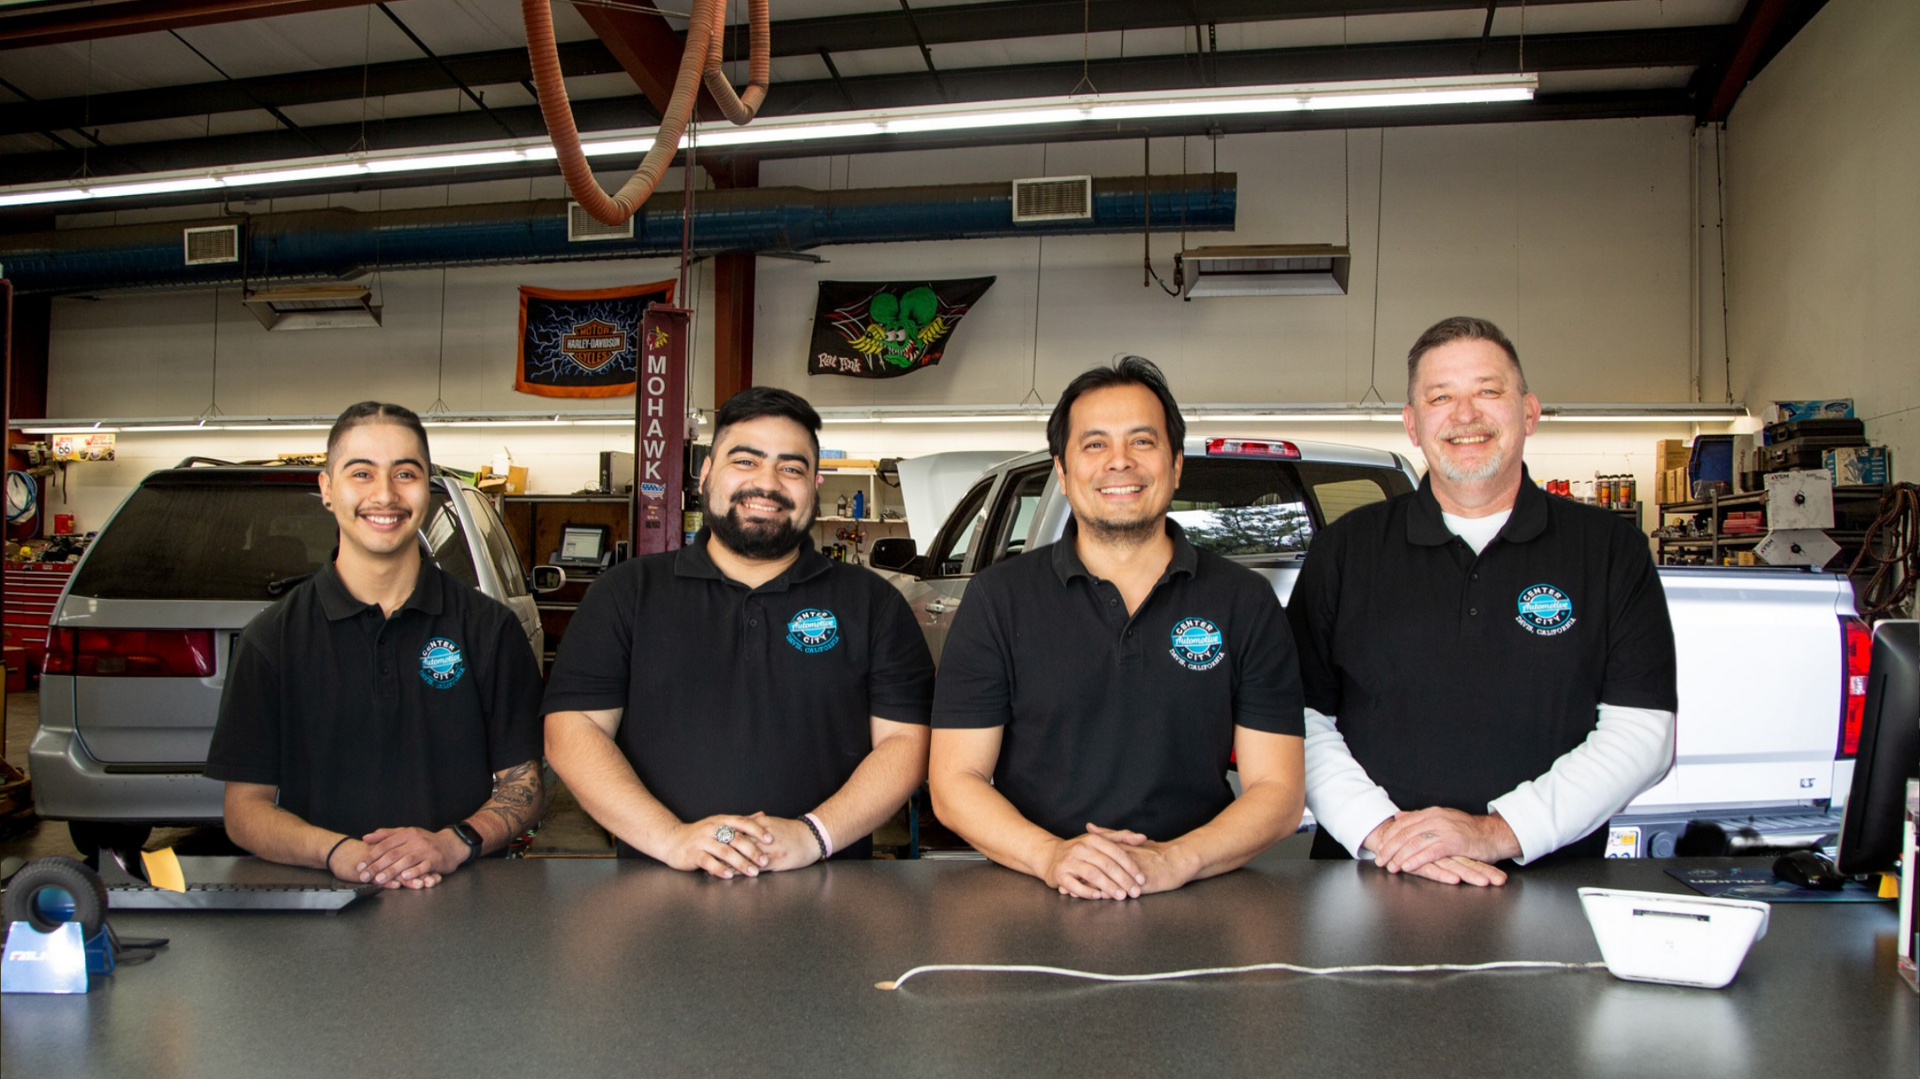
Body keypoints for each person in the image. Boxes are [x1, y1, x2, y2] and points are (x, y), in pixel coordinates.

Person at [1289, 316, 1678, 886]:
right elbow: (1298, 719)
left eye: (1488, 392)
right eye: (1440, 397)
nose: (1465, 415)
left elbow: (1642, 732)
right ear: (1413, 425)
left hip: (1550, 882)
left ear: (1529, 412)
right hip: (1369, 877)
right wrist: (1386, 834)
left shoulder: (1610, 549)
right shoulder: (1346, 549)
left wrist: (1496, 832)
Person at [929, 357, 1306, 900]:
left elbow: (1279, 791)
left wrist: (1176, 860)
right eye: (1095, 444)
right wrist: (1052, 856)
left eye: (1142, 442)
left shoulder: (1245, 602)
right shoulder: (998, 599)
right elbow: (954, 782)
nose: (1119, 463)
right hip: (1034, 889)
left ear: (1176, 466)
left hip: (1198, 891)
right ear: (1063, 471)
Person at [542, 386, 934, 877]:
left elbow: (905, 742)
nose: (766, 484)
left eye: (791, 468)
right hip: (660, 888)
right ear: (706, 474)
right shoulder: (626, 594)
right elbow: (572, 731)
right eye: (745, 461)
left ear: (813, 488)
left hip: (827, 891)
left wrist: (815, 835)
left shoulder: (873, 604)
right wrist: (671, 839)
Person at [207, 402, 546, 889]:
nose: (384, 495)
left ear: (426, 487)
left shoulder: (489, 630)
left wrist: (452, 844)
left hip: (464, 905)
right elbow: (244, 810)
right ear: (327, 489)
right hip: (322, 901)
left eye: (405, 473)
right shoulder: (273, 639)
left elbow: (525, 786)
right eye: (361, 473)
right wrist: (339, 853)